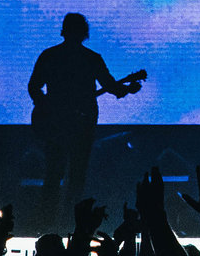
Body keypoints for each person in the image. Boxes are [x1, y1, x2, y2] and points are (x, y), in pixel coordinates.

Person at [28, 13, 142, 230]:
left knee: (54, 174)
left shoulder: (50, 55)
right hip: (79, 125)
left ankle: (46, 225)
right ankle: (69, 225)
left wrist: (46, 106)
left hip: (59, 126)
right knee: (75, 176)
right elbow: (110, 85)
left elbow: (34, 87)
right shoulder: (91, 58)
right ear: (83, 32)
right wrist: (128, 89)